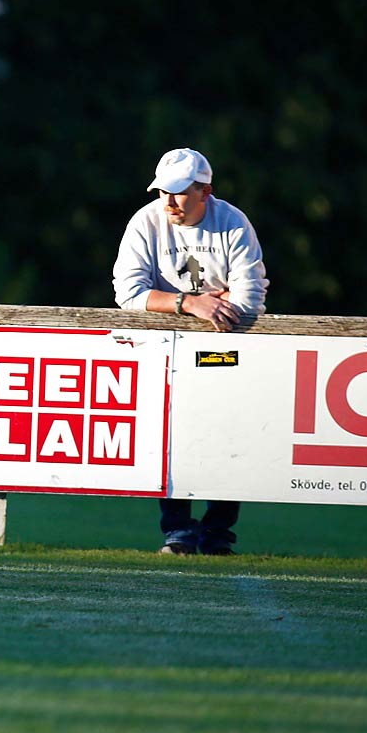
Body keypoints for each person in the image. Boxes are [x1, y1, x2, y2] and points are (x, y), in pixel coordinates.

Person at [112, 146, 269, 556]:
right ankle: (178, 533)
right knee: (170, 438)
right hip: (170, 350)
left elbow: (251, 300)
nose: (169, 202)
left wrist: (189, 302)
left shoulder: (233, 223)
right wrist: (192, 303)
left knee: (229, 438)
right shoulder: (145, 222)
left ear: (205, 191)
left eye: (180, 192)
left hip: (227, 348)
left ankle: (218, 535)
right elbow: (127, 293)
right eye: (163, 191)